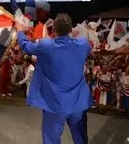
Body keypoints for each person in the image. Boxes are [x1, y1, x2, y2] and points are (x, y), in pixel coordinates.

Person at [14, 13, 93, 144]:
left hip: (54, 104)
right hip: (78, 103)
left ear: (53, 29)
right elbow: (81, 44)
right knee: (81, 140)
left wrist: (21, 31)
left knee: (51, 140)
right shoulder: (83, 44)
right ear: (70, 29)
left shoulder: (46, 46)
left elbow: (25, 46)